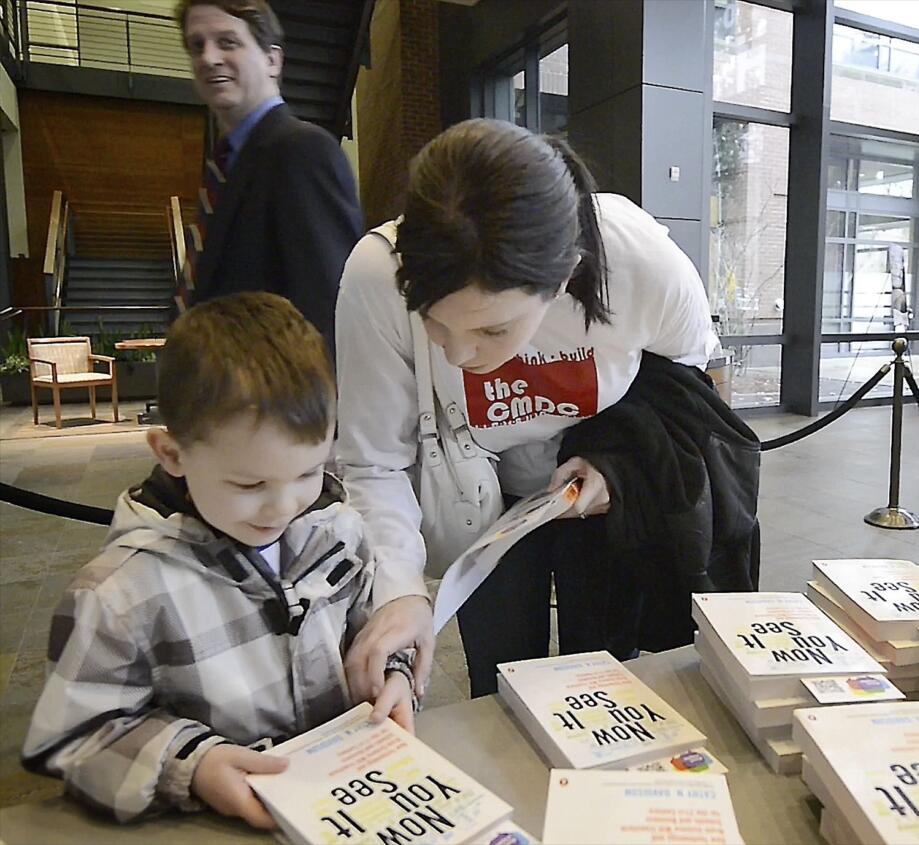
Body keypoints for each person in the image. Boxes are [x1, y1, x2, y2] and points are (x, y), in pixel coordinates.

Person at [334, 119, 758, 698]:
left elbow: (690, 397)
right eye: (433, 323)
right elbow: (374, 463)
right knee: (501, 680)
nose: (460, 353)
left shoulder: (639, 264)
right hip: (477, 503)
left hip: (601, 495)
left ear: (561, 281)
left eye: (493, 329)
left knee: (611, 677)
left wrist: (621, 469)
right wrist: (401, 592)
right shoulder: (376, 277)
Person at [22, 294, 417, 828]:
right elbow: (75, 736)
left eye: (308, 473)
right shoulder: (118, 594)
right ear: (171, 453)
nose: (283, 506)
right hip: (210, 825)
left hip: (347, 803)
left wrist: (392, 672)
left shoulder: (335, 530)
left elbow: (370, 627)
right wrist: (194, 765)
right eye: (250, 483)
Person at [177, 0, 363, 355]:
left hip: (271, 405)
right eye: (197, 45)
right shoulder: (227, 163)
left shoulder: (303, 151)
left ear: (272, 60)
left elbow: (329, 312)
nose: (208, 58)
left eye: (227, 42)